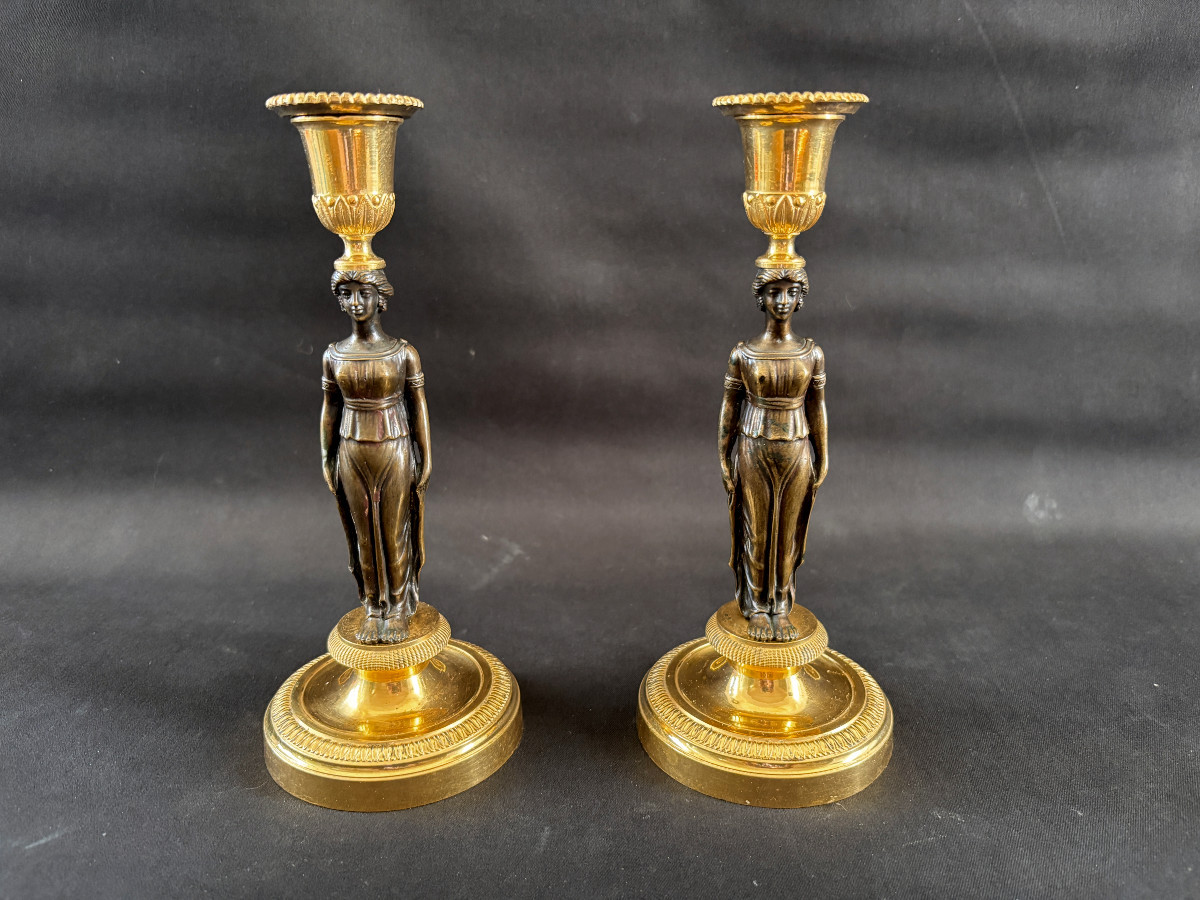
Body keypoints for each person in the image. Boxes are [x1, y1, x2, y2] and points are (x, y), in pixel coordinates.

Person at [320, 269, 432, 643]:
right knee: (363, 531)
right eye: (347, 294)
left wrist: (425, 456)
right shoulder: (334, 355)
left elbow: (418, 407)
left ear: (380, 297)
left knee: (393, 529)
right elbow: (330, 408)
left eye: (363, 293)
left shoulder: (403, 354)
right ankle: (373, 605)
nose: (355, 303)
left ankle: (398, 606)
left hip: (395, 447)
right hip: (351, 449)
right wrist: (325, 455)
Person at [719, 268, 828, 642]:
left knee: (787, 532)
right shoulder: (744, 354)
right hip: (753, 446)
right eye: (774, 292)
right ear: (760, 298)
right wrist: (722, 455)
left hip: (797, 449)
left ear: (801, 297)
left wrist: (823, 454)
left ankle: (780, 604)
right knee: (758, 529)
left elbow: (817, 408)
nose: (782, 301)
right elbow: (729, 407)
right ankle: (755, 606)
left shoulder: (811, 353)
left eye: (791, 292)